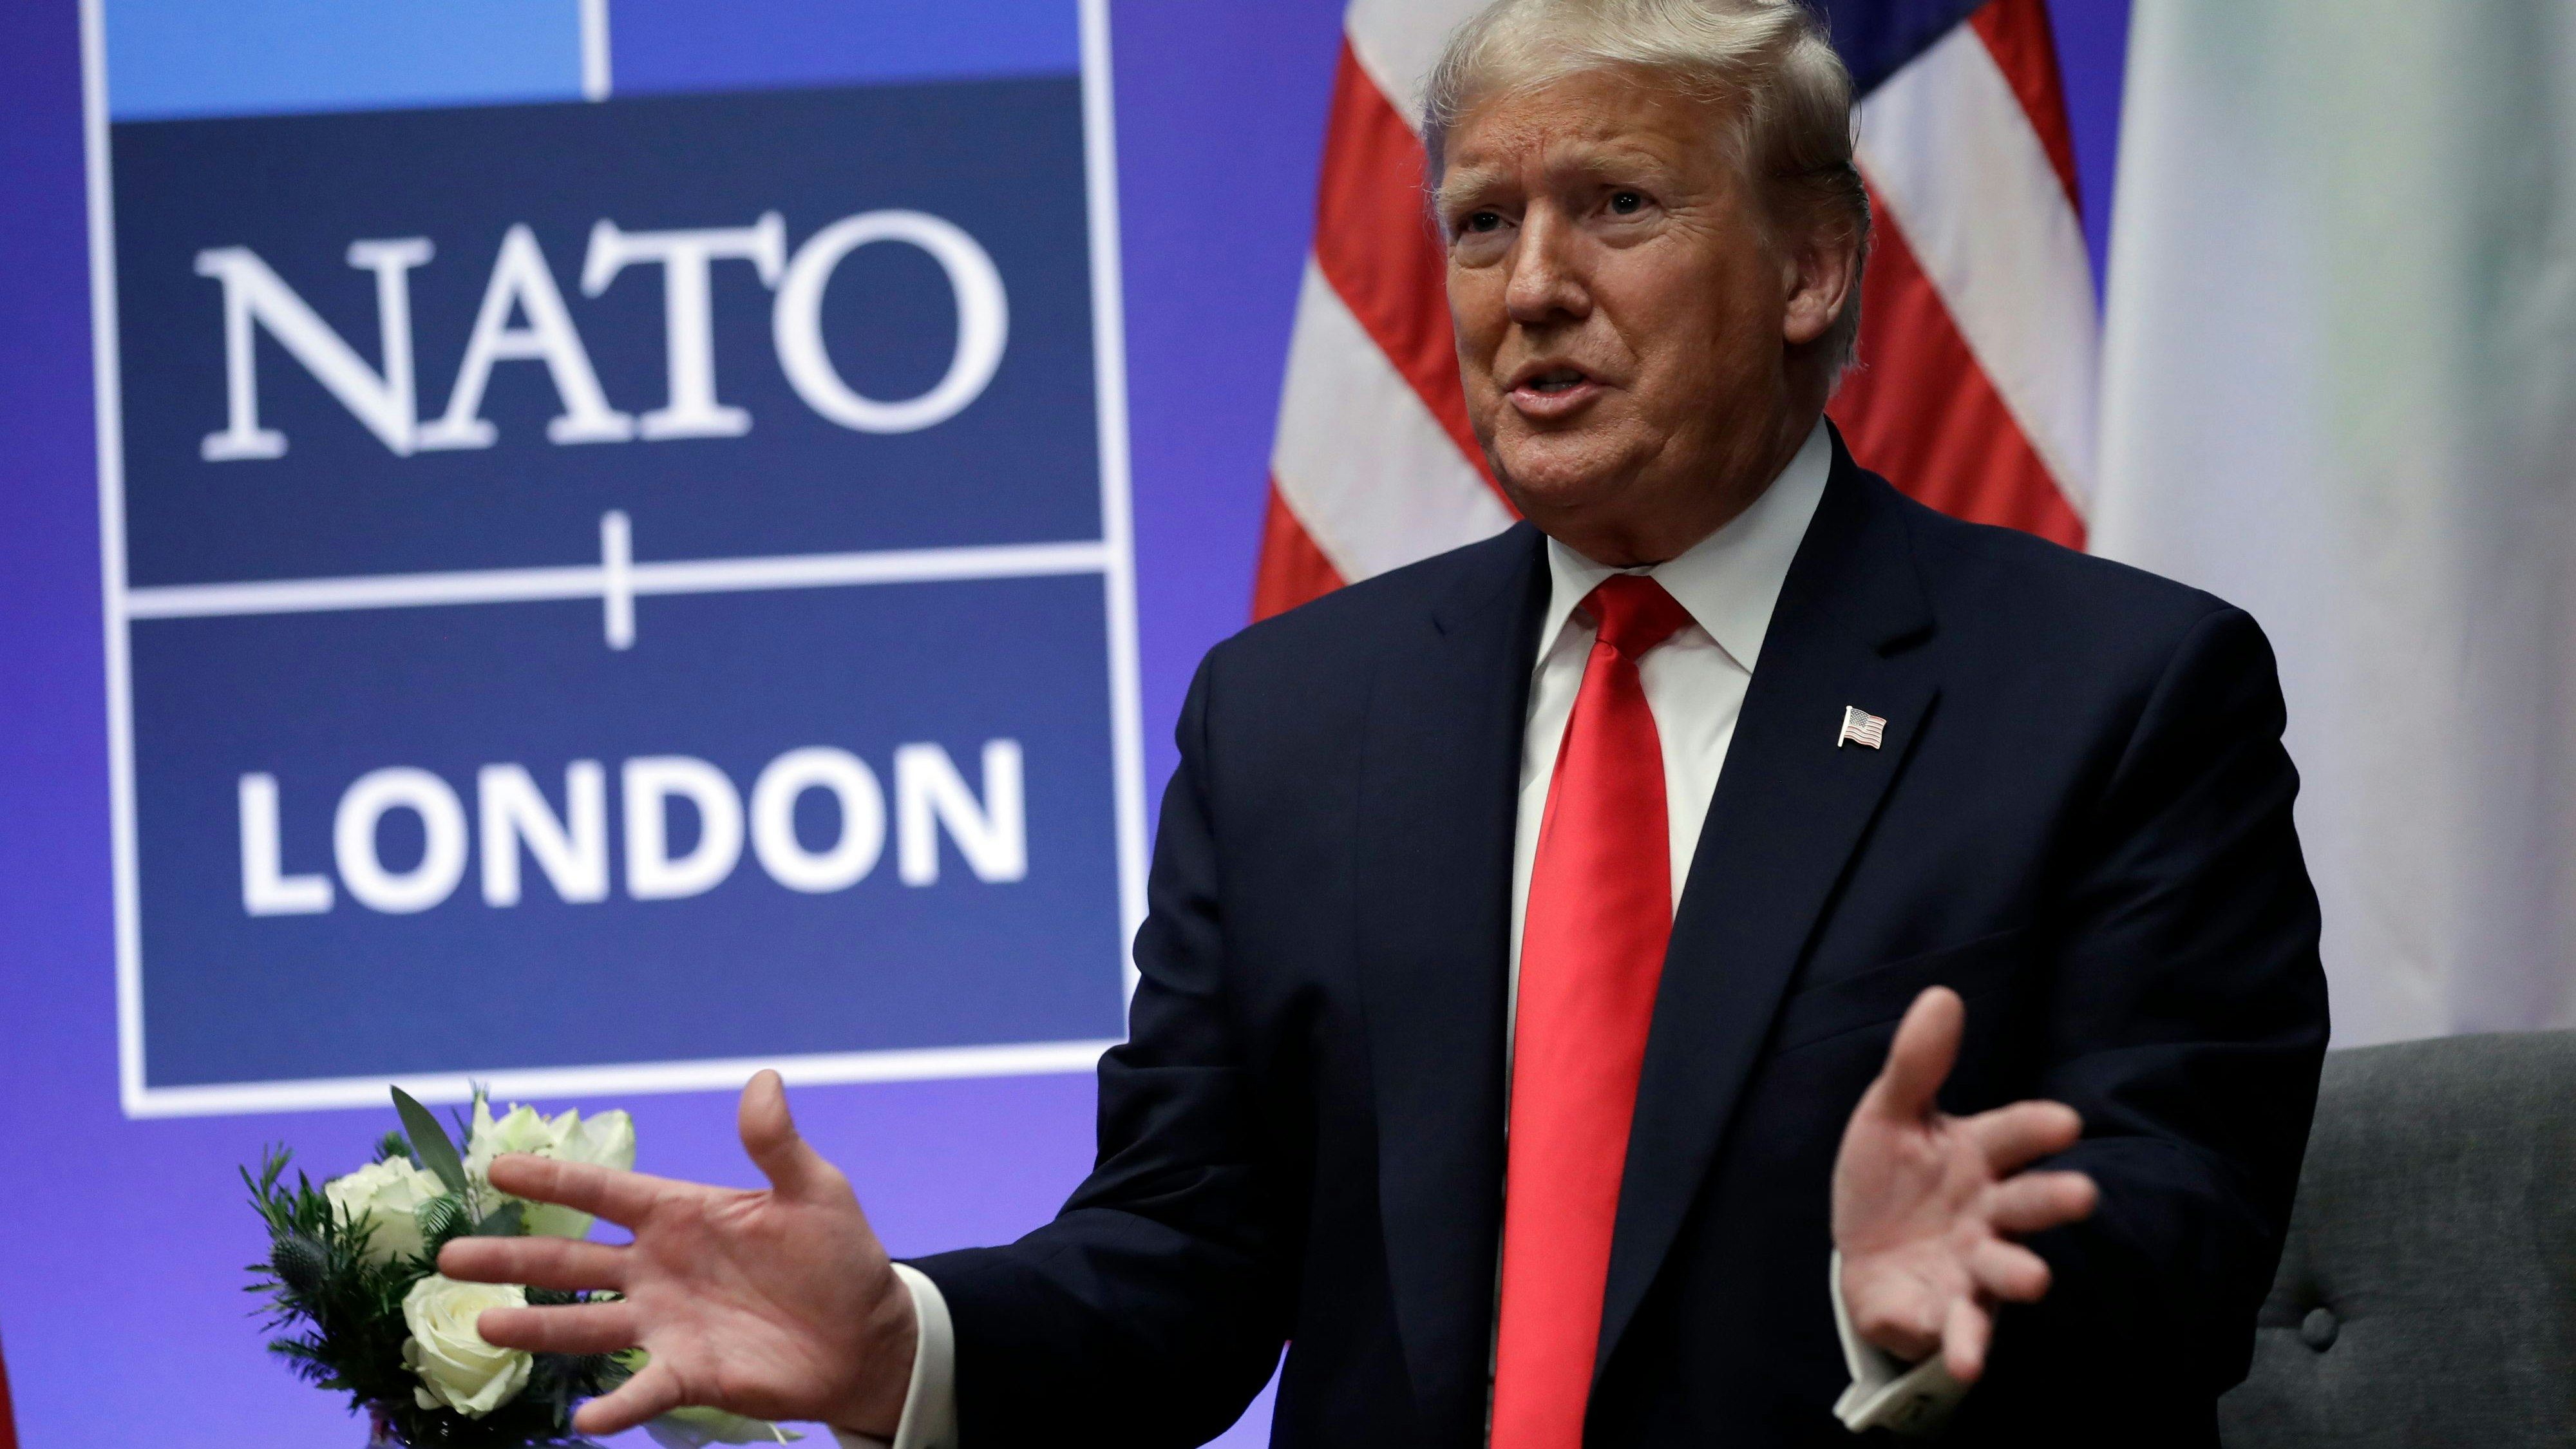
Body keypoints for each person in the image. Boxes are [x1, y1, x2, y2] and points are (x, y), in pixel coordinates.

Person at [441, 2, 2328, 1444]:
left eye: (1619, 207)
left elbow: (2186, 1236)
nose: (1529, 294)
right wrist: (899, 1343)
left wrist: (1912, 1310)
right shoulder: (1291, 720)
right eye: (1485, 221)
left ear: (1815, 267)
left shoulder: (2112, 698)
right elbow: (1180, 1259)